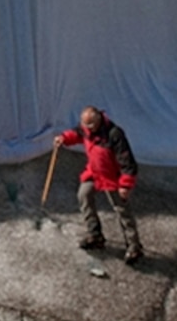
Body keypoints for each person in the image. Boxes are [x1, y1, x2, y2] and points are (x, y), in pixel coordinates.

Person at [55, 105, 142, 263]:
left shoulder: (114, 134)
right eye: (85, 125)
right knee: (84, 195)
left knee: (122, 211)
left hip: (113, 178)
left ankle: (134, 246)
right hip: (94, 173)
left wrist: (125, 184)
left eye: (91, 125)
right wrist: (64, 138)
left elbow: (127, 161)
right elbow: (76, 134)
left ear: (99, 120)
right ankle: (95, 235)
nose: (87, 129)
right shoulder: (86, 129)